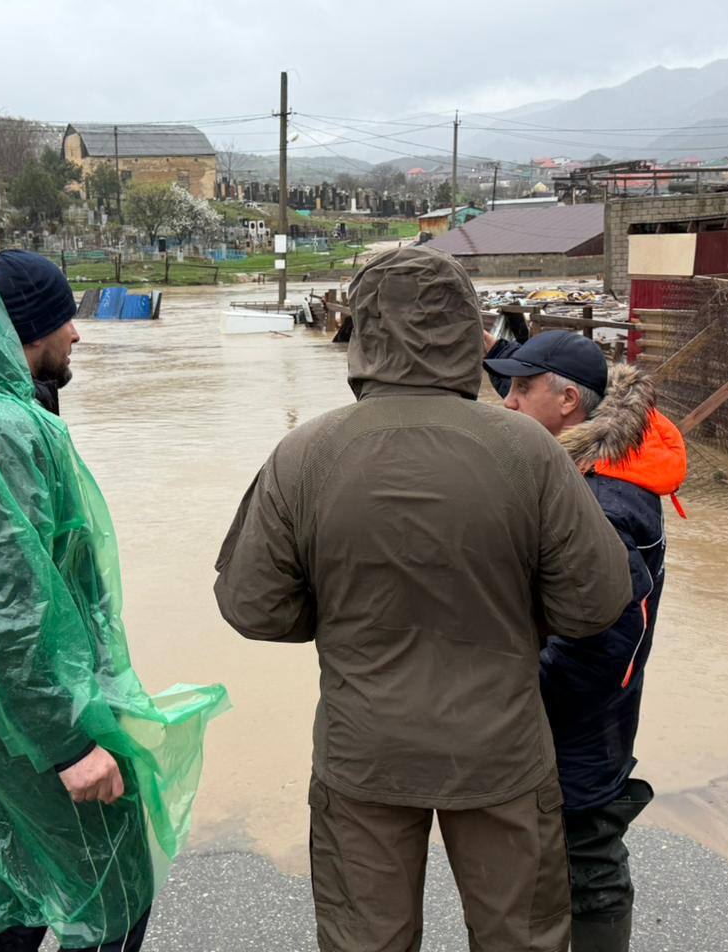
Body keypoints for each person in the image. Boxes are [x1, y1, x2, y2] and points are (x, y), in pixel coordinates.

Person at [214, 246, 634, 952]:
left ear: (362, 329)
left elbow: (253, 606)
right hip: (500, 749)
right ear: (471, 334)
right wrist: (517, 609)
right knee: (522, 939)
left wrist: (341, 614)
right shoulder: (528, 451)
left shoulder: (305, 453)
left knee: (365, 941)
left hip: (365, 750)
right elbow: (594, 603)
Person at [0, 251, 227, 952]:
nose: (77, 334)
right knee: (111, 890)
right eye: (63, 318)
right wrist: (69, 743)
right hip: (27, 722)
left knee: (9, 880)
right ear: (22, 329)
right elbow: (5, 611)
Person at [484, 330, 688, 952]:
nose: (508, 403)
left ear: (568, 399)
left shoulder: (604, 495)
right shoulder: (589, 466)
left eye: (522, 388)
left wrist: (523, 697)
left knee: (589, 850)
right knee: (562, 851)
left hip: (581, 715)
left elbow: (605, 641)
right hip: (577, 706)